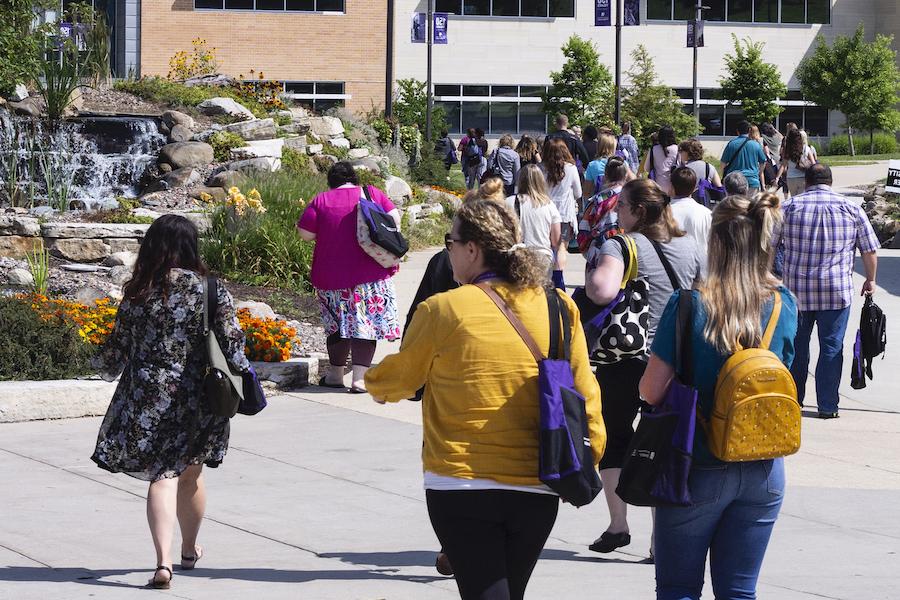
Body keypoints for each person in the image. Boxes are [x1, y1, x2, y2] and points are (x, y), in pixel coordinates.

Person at [366, 200, 606, 600]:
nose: (449, 251)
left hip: (462, 483)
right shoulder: (558, 306)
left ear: (473, 250)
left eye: (451, 242)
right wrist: (587, 456)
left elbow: (400, 381)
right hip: (539, 481)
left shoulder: (443, 309)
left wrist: (372, 381)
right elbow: (585, 394)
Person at [640, 193, 797, 600]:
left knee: (678, 588)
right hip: (763, 465)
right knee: (740, 591)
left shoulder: (689, 304)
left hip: (697, 464)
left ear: (715, 241)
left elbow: (650, 390)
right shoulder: (783, 304)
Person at [91, 214, 250, 590]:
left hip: (148, 396)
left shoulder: (139, 290)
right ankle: (190, 549)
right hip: (201, 396)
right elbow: (233, 344)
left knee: (161, 476)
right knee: (192, 473)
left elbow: (117, 349)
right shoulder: (210, 289)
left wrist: (95, 361)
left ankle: (163, 563)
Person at [583, 179, 702, 558]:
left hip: (626, 358)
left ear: (638, 212)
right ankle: (657, 539)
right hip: (673, 360)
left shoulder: (622, 244)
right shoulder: (690, 246)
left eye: (622, 207)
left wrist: (590, 274)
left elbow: (602, 290)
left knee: (615, 438)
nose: (617, 213)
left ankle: (618, 526)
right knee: (662, 445)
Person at [772, 164, 879, 419]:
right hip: (836, 291)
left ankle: (792, 401)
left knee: (795, 346)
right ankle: (828, 406)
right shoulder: (852, 209)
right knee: (831, 347)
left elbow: (769, 246)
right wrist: (871, 279)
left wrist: (769, 277)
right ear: (830, 181)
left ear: (806, 182)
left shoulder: (787, 208)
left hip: (796, 291)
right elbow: (869, 250)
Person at [297, 162, 402, 393]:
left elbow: (305, 234)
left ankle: (335, 375)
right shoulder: (371, 193)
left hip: (331, 276)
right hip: (371, 275)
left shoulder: (321, 200)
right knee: (365, 325)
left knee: (337, 325)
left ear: (331, 181)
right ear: (354, 178)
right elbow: (394, 220)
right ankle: (359, 379)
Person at [542, 137, 582, 290]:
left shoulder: (540, 168)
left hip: (545, 213)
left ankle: (547, 277)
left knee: (547, 247)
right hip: (564, 214)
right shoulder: (571, 169)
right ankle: (558, 281)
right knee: (561, 249)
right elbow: (578, 193)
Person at [506, 163, 561, 264]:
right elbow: (556, 240)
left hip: (517, 258)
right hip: (542, 258)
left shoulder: (508, 202)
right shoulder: (549, 205)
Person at [577, 156, 629, 252]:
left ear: (605, 176)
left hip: (601, 251)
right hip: (628, 249)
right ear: (626, 175)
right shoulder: (632, 198)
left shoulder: (597, 200)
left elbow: (583, 233)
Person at [669, 167, 712, 271]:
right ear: (694, 188)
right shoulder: (707, 213)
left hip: (673, 270)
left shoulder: (664, 214)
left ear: (672, 187)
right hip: (702, 269)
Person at [720, 121, 768, 194]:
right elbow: (763, 161)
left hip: (734, 182)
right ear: (749, 130)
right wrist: (758, 173)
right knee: (751, 205)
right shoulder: (756, 145)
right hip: (752, 180)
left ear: (737, 131)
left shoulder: (731, 144)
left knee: (735, 205)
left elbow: (722, 164)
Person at [776, 128, 815, 197]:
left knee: (794, 198)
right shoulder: (805, 148)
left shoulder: (788, 150)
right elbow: (813, 163)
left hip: (791, 178)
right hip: (803, 177)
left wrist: (777, 178)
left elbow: (783, 165)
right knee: (801, 199)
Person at [642, 125, 679, 196]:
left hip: (656, 187)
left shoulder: (653, 149)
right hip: (674, 187)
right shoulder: (677, 149)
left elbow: (646, 168)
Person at [583, 132, 618, 197]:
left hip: (601, 204)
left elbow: (586, 192)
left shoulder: (592, 165)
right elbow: (632, 180)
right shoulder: (621, 163)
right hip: (618, 202)